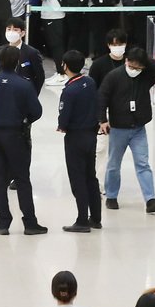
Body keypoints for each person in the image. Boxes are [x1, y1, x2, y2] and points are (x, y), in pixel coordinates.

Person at [0, 46, 46, 235]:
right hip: (16, 135)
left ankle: (2, 223)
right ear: (17, 61)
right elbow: (36, 112)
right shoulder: (24, 85)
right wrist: (24, 119)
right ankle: (30, 223)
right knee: (22, 178)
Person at [98, 45, 155, 213]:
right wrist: (102, 120)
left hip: (138, 128)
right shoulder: (114, 77)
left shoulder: (146, 76)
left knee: (143, 163)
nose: (134, 70)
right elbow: (102, 98)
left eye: (138, 67)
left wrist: (143, 60)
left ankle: (150, 199)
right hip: (118, 128)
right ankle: (111, 196)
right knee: (114, 164)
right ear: (126, 61)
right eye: (131, 66)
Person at [56, 51, 103, 233]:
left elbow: (64, 118)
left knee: (78, 179)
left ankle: (82, 219)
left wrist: (62, 126)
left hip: (75, 137)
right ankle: (96, 218)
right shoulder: (89, 82)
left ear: (65, 65)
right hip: (91, 135)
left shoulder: (69, 91)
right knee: (90, 176)